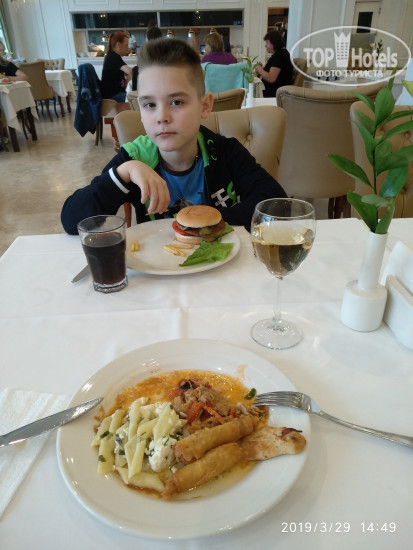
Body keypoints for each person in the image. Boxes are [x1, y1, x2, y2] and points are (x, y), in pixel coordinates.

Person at [61, 38, 286, 235]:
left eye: (176, 102)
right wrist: (124, 173)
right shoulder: (135, 158)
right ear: (140, 111)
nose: (162, 117)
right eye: (150, 105)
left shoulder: (226, 152)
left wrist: (207, 222)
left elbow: (276, 205)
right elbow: (72, 221)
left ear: (204, 106)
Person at [255, 30, 293, 97]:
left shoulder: (280, 56)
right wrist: (262, 69)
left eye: (267, 42)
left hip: (273, 94)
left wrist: (259, 69)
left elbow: (271, 78)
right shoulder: (279, 54)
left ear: (274, 43)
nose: (265, 45)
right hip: (270, 91)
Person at [100, 31, 132, 102]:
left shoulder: (115, 56)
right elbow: (129, 71)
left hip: (115, 93)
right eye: (126, 45)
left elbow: (129, 72)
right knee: (135, 99)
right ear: (119, 45)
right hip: (112, 96)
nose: (128, 48)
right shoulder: (112, 57)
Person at [131, 26, 163, 92]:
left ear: (147, 39)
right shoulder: (165, 50)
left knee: (135, 70)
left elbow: (140, 65)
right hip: (162, 81)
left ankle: (136, 93)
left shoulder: (145, 51)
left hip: (148, 83)